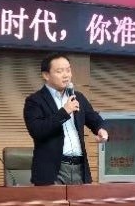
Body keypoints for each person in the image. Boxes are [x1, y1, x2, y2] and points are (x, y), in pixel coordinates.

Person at [23, 53, 109, 185]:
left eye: (68, 70)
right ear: (46, 75)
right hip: (52, 171)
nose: (66, 75)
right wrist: (64, 112)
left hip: (80, 168)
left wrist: (101, 129)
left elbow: (94, 119)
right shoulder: (35, 101)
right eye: (59, 71)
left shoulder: (78, 97)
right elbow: (37, 130)